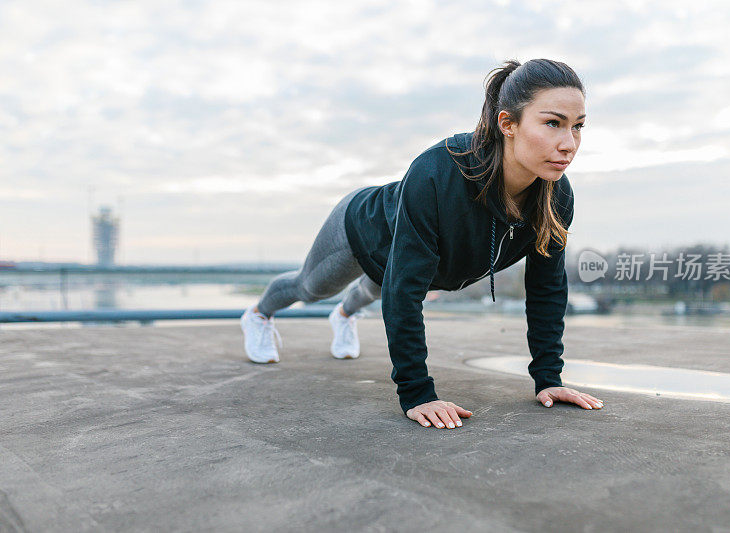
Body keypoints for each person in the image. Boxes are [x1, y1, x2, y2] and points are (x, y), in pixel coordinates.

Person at [241, 58, 604, 429]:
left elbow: (547, 288)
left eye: (578, 127)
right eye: (552, 123)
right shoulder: (437, 172)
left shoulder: (556, 198)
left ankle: (345, 315)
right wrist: (417, 394)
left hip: (416, 262)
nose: (569, 143)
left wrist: (549, 379)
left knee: (376, 287)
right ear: (507, 124)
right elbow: (403, 291)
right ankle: (257, 315)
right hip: (365, 230)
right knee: (311, 287)